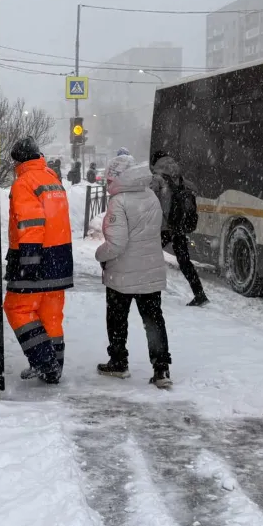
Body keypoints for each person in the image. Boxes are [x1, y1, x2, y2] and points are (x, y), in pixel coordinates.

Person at [95, 155, 172, 388]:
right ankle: (161, 369)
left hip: (122, 272)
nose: (108, 182)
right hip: (150, 270)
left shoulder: (119, 201)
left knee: (117, 319)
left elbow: (116, 244)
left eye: (110, 178)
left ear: (117, 176)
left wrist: (99, 255)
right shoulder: (150, 196)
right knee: (153, 320)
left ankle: (118, 362)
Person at [4, 137, 73, 383]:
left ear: (18, 160)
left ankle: (45, 363)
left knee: (17, 308)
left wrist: (28, 262)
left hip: (36, 259)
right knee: (50, 314)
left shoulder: (24, 183)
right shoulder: (51, 179)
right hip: (60, 258)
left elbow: (32, 224)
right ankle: (54, 368)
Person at [150, 150, 209, 307]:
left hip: (163, 227)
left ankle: (146, 292)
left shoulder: (157, 179)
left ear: (155, 163)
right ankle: (199, 294)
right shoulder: (180, 178)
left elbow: (149, 200)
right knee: (184, 261)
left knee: (149, 257)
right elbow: (194, 189)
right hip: (178, 226)